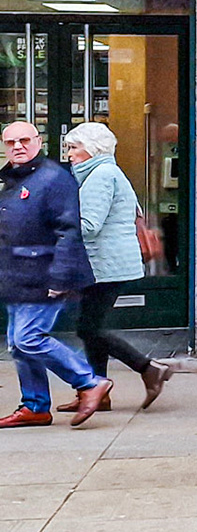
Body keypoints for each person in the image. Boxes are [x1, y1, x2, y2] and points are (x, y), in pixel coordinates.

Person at [0, 121, 110, 427]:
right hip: (17, 275)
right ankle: (34, 406)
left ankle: (90, 382)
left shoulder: (53, 178)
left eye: (24, 140)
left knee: (29, 338)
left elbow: (69, 231)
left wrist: (61, 277)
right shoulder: (14, 179)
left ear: (38, 141)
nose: (18, 146)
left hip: (45, 274)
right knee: (17, 344)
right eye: (11, 142)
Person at [62, 122, 171, 410]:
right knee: (91, 326)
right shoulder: (108, 172)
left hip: (105, 265)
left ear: (93, 150)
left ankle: (148, 368)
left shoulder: (100, 176)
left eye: (74, 148)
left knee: (88, 329)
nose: (69, 154)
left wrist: (52, 227)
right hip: (110, 263)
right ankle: (98, 391)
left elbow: (89, 226)